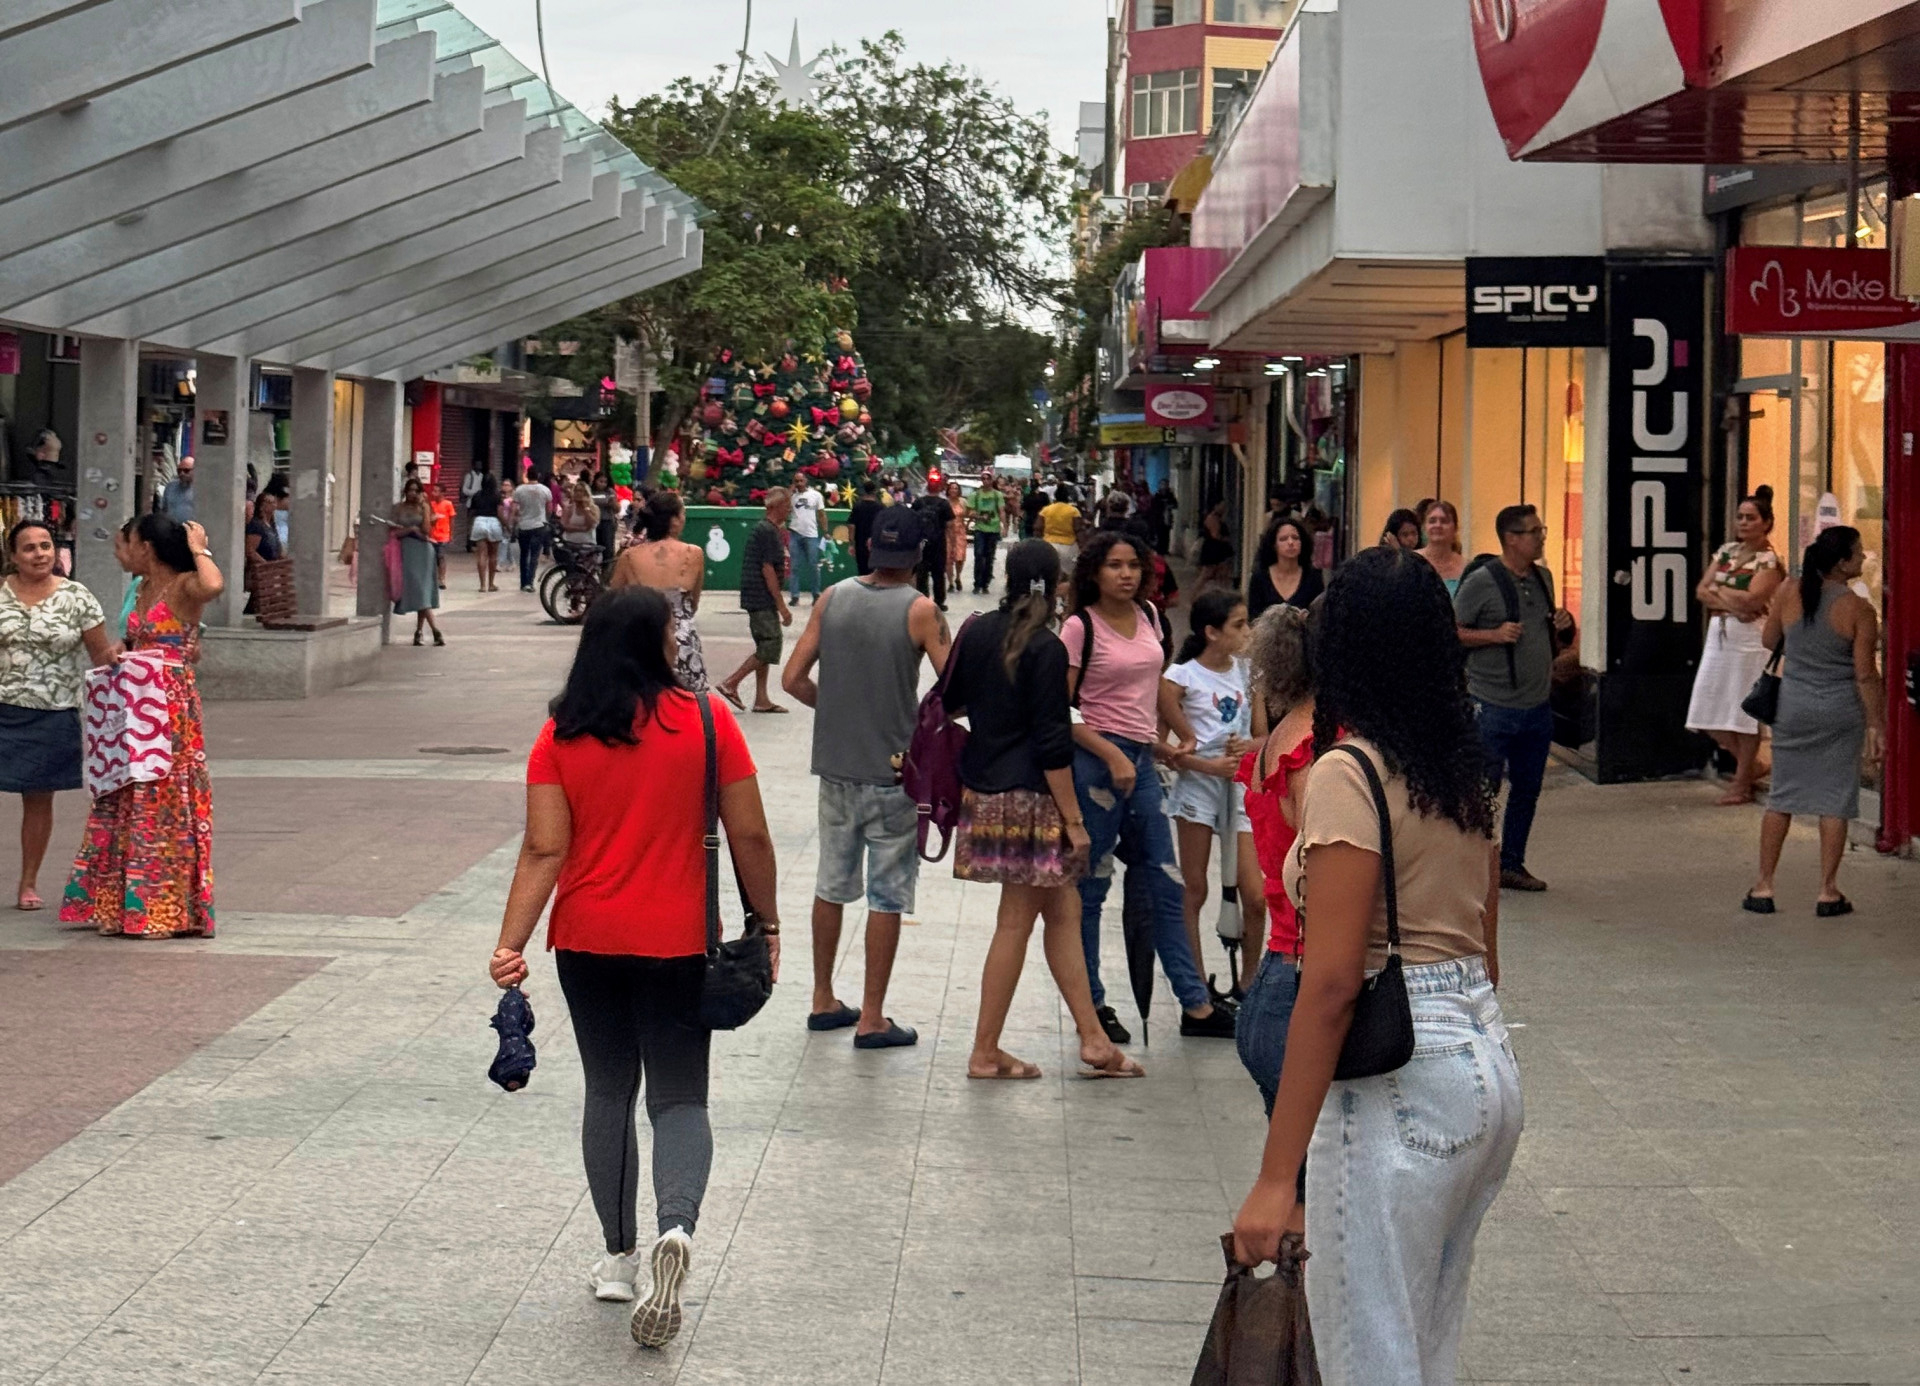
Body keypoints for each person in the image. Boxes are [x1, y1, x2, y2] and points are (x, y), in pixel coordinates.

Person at [1231, 545, 1519, 1386]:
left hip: (1401, 1074)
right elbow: (1484, 945)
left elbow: (1330, 985)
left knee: (1366, 1354)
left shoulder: (1348, 773)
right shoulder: (1458, 768)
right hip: (1480, 1052)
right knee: (1423, 1344)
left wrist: (1276, 1178)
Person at [488, 587, 781, 1350]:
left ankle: (618, 1260)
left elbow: (544, 849)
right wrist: (767, 923)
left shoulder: (563, 731)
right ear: (659, 641)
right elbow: (748, 833)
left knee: (610, 1089)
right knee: (681, 1098)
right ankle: (674, 1229)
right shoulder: (711, 722)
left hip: (587, 940)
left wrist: (510, 941)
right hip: (680, 940)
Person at [942, 539, 1142, 1080]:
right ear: (1056, 585)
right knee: (1015, 921)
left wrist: (994, 710)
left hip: (985, 792)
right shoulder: (1047, 647)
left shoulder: (979, 631)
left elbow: (951, 700)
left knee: (1063, 910)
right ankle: (985, 1051)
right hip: (1033, 798)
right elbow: (1053, 743)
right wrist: (1075, 822)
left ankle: (1094, 1039)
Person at [783, 506, 949, 1048]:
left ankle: (822, 997)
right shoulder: (922, 611)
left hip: (836, 767)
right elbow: (955, 687)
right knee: (888, 894)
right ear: (919, 555)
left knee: (831, 884)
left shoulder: (832, 597)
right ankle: (872, 1016)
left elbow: (791, 679)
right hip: (894, 772)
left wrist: (835, 711)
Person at [1065, 530, 1233, 1042]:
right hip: (1095, 763)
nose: (1126, 574)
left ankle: (1195, 1005)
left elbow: (1151, 689)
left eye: (1134, 565)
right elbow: (1061, 710)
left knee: (1165, 881)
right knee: (1091, 888)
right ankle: (1092, 1007)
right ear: (1095, 572)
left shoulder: (1150, 618)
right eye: (1115, 565)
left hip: (1141, 762)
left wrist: (1181, 733)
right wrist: (1113, 753)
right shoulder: (1079, 627)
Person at [61, 514, 225, 939]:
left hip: (170, 710)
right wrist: (123, 649)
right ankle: (124, 906)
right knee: (128, 794)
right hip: (136, 704)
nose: (120, 553)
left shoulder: (186, 585)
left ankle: (163, 910)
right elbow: (145, 639)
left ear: (146, 547)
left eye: (125, 544)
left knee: (163, 799)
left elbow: (213, 586)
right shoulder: (140, 590)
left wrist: (199, 546)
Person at [1744, 526, 1884, 917]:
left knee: (1781, 798)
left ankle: (1764, 886)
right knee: (1834, 801)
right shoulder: (1859, 609)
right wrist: (1878, 724)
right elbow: (1865, 674)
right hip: (1840, 711)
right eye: (1858, 554)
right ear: (1841, 564)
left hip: (1792, 706)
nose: (1863, 559)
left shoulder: (1789, 591)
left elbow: (1770, 641)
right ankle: (1827, 890)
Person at [1454, 503, 1572, 892]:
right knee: (1483, 791)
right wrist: (1492, 635)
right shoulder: (1482, 582)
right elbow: (1449, 631)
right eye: (1535, 531)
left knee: (1527, 789)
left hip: (1537, 706)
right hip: (1491, 706)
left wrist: (1563, 626)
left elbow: (1549, 635)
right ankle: (1472, 868)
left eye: (1542, 530)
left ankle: (1511, 864)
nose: (1541, 537)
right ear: (1511, 538)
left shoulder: (1544, 578)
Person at [0, 520, 115, 912]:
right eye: (29, 547)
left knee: (37, 799)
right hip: (3, 708)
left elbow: (102, 658)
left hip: (54, 713)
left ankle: (28, 883)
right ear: (13, 556)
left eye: (46, 545)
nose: (39, 554)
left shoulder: (77, 597)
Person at [1233, 604, 1316, 1117]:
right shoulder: (1310, 751)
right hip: (1297, 980)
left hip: (1279, 973)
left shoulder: (1281, 742)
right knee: (1303, 1183)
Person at [1161, 589, 1265, 998]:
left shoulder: (1249, 674)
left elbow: (1263, 737)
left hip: (1239, 789)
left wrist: (1248, 751)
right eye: (1239, 625)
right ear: (1211, 632)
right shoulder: (1179, 679)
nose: (1247, 633)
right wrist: (1204, 764)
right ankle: (1197, 985)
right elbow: (1161, 746)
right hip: (1198, 789)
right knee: (1196, 888)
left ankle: (1250, 981)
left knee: (1254, 894)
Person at [1686, 488, 1783, 806]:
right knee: (1706, 709)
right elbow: (1701, 590)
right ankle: (1751, 765)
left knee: (1743, 712)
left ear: (1766, 523)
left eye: (1751, 518)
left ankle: (1741, 783)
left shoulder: (1769, 560)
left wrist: (1721, 590)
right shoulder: (1726, 551)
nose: (1743, 522)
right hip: (1721, 634)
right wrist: (1734, 601)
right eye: (1740, 516)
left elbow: (1754, 600)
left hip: (1749, 640)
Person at [610, 490, 708, 692]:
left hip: (639, 639)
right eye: (682, 514)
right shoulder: (694, 554)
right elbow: (693, 604)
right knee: (686, 703)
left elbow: (613, 601)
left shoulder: (629, 557)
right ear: (673, 521)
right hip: (681, 640)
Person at [715, 489, 791, 715]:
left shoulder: (765, 530)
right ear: (776, 507)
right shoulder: (768, 531)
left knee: (763, 646)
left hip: (756, 595)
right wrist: (782, 606)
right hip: (761, 596)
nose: (789, 510)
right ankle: (731, 683)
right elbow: (768, 569)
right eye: (787, 506)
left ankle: (762, 698)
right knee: (770, 644)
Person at [390, 477, 445, 647]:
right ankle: (428, 631)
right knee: (418, 590)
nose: (412, 493)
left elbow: (427, 531)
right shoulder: (398, 508)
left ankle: (426, 631)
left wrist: (424, 509)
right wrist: (410, 530)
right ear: (405, 491)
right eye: (410, 490)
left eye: (416, 490)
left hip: (423, 551)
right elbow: (393, 532)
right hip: (406, 551)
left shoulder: (424, 507)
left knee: (423, 591)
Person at [1246, 515, 1323, 621]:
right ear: (1274, 545)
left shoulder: (1313, 576)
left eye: (1295, 538)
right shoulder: (1260, 577)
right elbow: (1253, 618)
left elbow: (1319, 616)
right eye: (1283, 539)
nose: (1290, 543)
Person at [910, 485, 955, 611]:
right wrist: (953, 545)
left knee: (922, 573)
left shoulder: (919, 502)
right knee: (939, 574)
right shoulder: (944, 504)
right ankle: (939, 602)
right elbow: (950, 525)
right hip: (939, 544)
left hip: (922, 544)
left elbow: (912, 521)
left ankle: (923, 599)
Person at [787, 472, 826, 605]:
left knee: (813, 565)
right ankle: (795, 596)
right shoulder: (791, 496)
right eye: (796, 481)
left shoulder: (816, 495)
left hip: (811, 534)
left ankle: (816, 594)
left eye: (801, 481)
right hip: (795, 533)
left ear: (806, 481)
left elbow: (821, 514)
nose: (799, 483)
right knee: (795, 566)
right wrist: (789, 493)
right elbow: (782, 506)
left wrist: (825, 531)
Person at [511, 467, 553, 592]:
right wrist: (546, 519)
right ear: (538, 475)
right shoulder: (545, 490)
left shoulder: (519, 490)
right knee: (535, 555)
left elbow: (514, 509)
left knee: (524, 554)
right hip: (539, 525)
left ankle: (523, 582)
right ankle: (530, 582)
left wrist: (513, 522)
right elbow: (549, 508)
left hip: (524, 525)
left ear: (527, 475)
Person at [1415, 499, 1467, 595]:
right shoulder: (1411, 561)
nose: (1438, 525)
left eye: (1444, 521)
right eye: (1432, 521)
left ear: (1455, 528)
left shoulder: (1466, 568)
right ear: (1424, 527)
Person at [964, 479, 1004, 595]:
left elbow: (1001, 511)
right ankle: (977, 583)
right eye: (984, 479)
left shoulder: (997, 495)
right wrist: (979, 517)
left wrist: (1004, 526)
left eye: (988, 479)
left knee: (989, 557)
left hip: (993, 529)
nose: (986, 481)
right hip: (980, 529)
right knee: (979, 554)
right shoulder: (975, 495)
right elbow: (969, 512)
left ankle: (985, 583)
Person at [468, 473, 504, 592]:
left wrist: (470, 527)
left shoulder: (477, 495)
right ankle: (491, 584)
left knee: (481, 555)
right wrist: (506, 525)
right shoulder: (497, 496)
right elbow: (499, 513)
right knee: (493, 555)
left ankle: (482, 585)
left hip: (479, 521)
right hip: (493, 522)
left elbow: (471, 512)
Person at [1038, 485, 1082, 571]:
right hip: (1069, 546)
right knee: (1068, 574)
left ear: (1055, 497)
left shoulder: (1046, 510)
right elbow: (1078, 530)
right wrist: (1082, 546)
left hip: (1049, 544)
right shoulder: (1073, 511)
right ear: (1067, 497)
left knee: (1050, 573)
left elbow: (1038, 527)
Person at [849, 479, 884, 575]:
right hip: (876, 543)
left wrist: (851, 543)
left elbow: (852, 526)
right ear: (875, 491)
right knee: (875, 570)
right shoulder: (880, 507)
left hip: (860, 543)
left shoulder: (857, 506)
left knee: (862, 569)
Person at [1196, 502, 1234, 588]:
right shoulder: (1212, 518)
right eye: (1221, 506)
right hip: (1213, 549)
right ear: (1215, 506)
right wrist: (1225, 539)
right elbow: (1215, 535)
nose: (1224, 508)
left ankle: (1223, 594)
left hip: (1220, 550)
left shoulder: (1219, 518)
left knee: (1223, 575)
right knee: (1206, 574)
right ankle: (1194, 595)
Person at [942, 481, 969, 592]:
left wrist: (967, 524)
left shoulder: (963, 502)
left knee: (960, 557)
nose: (953, 490)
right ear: (948, 490)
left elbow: (968, 513)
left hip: (960, 532)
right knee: (948, 558)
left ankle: (958, 576)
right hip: (947, 532)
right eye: (951, 488)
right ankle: (951, 582)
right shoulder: (944, 503)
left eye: (956, 488)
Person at [428, 487, 456, 586]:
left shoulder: (448, 504)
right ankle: (434, 578)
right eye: (433, 490)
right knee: (432, 558)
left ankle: (442, 578)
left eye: (436, 491)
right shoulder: (431, 504)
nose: (433, 493)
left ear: (442, 493)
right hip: (433, 535)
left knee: (441, 556)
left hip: (444, 535)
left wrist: (451, 534)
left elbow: (452, 520)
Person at [159, 455, 196, 524]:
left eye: (186, 471)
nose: (182, 474)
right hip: (173, 529)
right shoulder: (170, 487)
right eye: (179, 471)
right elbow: (163, 509)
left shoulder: (199, 489)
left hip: (192, 530)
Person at [461, 461, 487, 551]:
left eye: (480, 465)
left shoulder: (482, 476)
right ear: (473, 466)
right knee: (470, 524)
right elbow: (464, 489)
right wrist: (475, 493)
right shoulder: (469, 476)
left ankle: (475, 543)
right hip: (471, 503)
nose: (479, 466)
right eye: (477, 465)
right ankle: (469, 544)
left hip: (480, 504)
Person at [1149, 479, 1178, 555]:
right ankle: (1160, 549)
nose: (1163, 486)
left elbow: (1175, 504)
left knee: (1166, 534)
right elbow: (1154, 506)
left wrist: (1169, 505)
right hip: (1159, 518)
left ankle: (1165, 549)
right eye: (1162, 484)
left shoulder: (1170, 495)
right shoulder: (1157, 495)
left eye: (1165, 484)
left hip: (1167, 517)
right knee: (1160, 534)